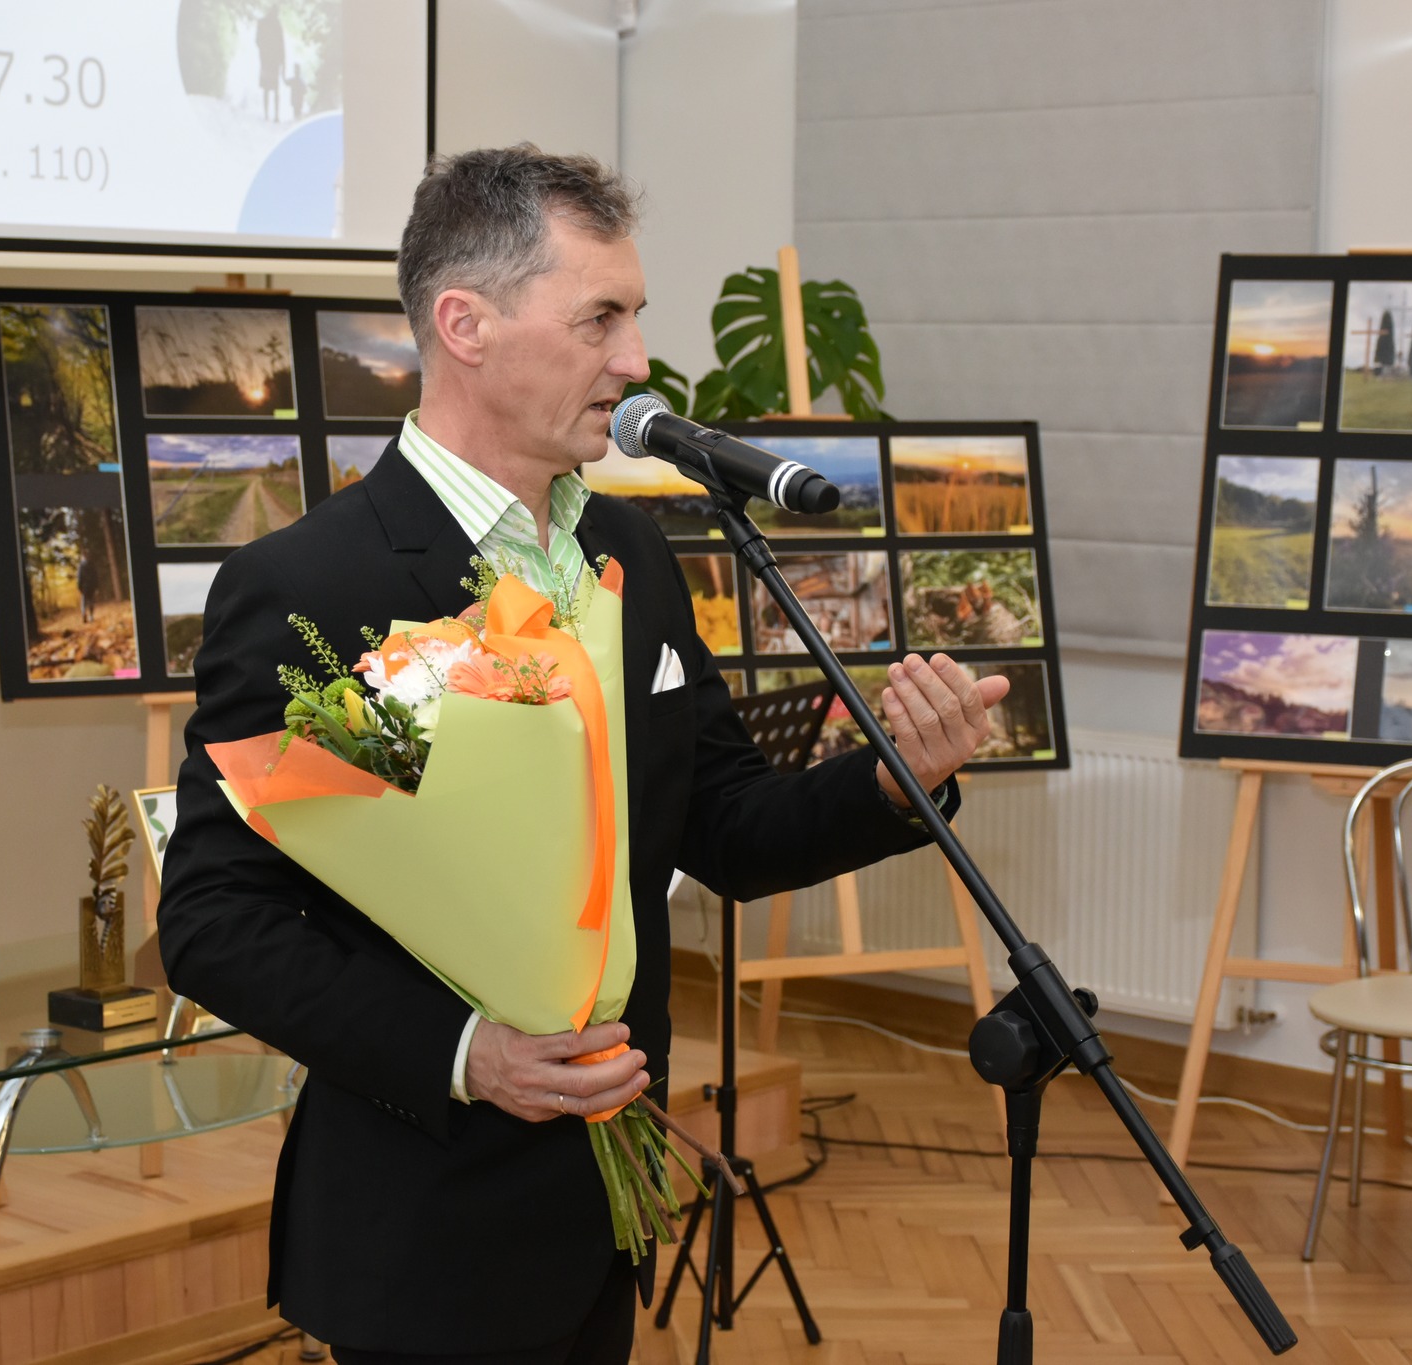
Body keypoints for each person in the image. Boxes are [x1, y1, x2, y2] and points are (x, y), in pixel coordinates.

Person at [158, 145, 1010, 1362]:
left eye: (634, 316)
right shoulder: (320, 587)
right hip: (426, 1217)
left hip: (603, 1199)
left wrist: (891, 781)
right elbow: (216, 921)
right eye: (598, 318)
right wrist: (468, 1055)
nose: (634, 360)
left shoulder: (629, 556)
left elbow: (722, 825)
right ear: (465, 325)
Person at [257, 7, 286, 121]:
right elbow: (282, 45)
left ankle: (268, 114)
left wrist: (263, 51)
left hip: (266, 60)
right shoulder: (276, 24)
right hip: (273, 61)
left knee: (267, 88)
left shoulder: (262, 23)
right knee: (274, 88)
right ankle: (275, 115)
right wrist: (283, 62)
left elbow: (257, 41)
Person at [75, 549, 97, 624]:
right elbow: (95, 576)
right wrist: (96, 587)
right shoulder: (92, 564)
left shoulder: (81, 566)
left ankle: (84, 613)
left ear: (82, 556)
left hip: (84, 587)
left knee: (83, 602)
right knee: (91, 601)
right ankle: (91, 616)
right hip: (92, 587)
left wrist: (79, 587)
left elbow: (79, 577)